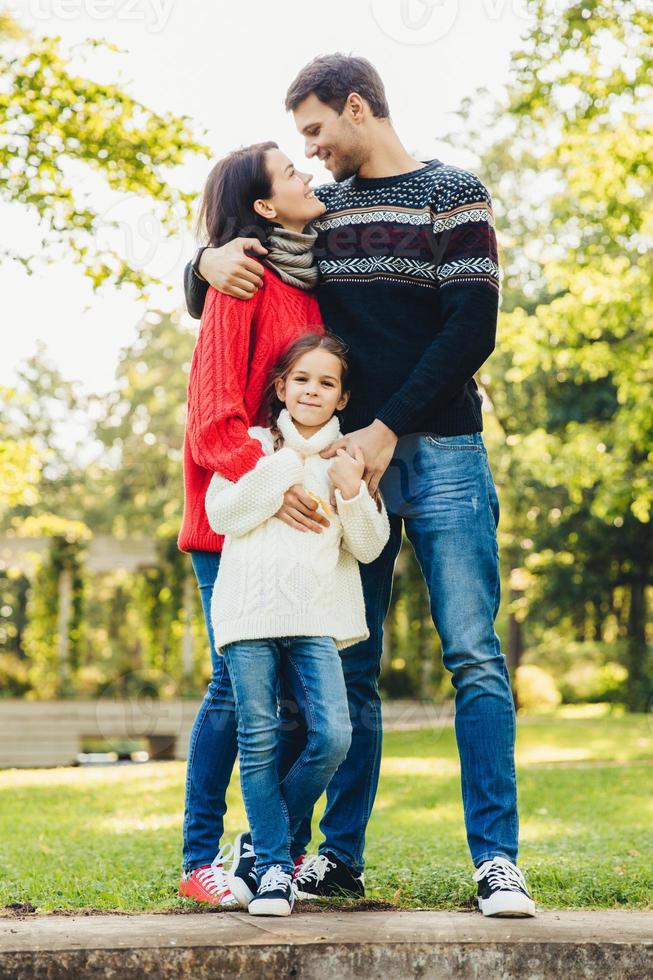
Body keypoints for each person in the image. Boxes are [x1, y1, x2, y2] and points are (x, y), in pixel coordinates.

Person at [184, 53, 536, 917]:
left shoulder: (452, 192)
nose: (310, 150)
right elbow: (233, 270)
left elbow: (472, 325)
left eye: (314, 130)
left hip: (439, 451)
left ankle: (495, 861)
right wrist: (203, 256)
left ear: (354, 108)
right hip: (345, 470)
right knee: (351, 662)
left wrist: (383, 430)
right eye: (298, 141)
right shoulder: (325, 212)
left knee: (473, 656)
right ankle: (331, 857)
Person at [177, 140, 336, 907]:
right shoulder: (241, 280)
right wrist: (276, 486)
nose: (309, 174)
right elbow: (212, 422)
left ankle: (267, 851)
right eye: (292, 171)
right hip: (231, 520)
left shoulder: (305, 288)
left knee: (307, 710)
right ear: (265, 207)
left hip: (297, 529)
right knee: (232, 692)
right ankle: (198, 858)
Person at [204, 333, 390, 915]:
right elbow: (224, 513)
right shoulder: (254, 445)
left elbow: (368, 547)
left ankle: (259, 847)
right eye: (302, 379)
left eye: (326, 383)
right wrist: (286, 462)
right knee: (258, 742)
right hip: (249, 613)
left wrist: (353, 491)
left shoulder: (347, 462)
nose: (313, 390)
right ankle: (278, 872)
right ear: (282, 387)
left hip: (314, 619)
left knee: (333, 736)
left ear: (342, 398)